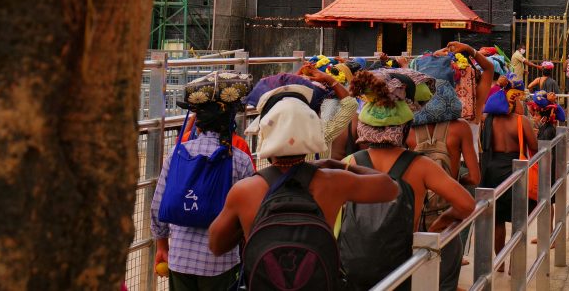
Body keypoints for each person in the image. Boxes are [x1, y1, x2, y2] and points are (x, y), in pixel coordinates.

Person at [208, 85, 400, 287]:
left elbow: (216, 246)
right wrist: (339, 165)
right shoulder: (333, 181)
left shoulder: (244, 190)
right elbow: (390, 188)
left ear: (266, 135)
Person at [339, 70, 476, 290]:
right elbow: (466, 204)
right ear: (403, 128)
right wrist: (439, 225)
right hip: (401, 266)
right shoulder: (420, 166)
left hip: (354, 267)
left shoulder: (348, 164)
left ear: (364, 127)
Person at [151, 72, 255, 291]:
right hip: (221, 261)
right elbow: (249, 215)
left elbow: (158, 204)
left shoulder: (176, 154)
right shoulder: (240, 160)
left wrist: (162, 246)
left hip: (180, 258)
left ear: (197, 123)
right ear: (230, 121)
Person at [407, 77, 480, 291]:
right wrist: (453, 182)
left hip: (414, 214)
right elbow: (475, 177)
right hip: (445, 214)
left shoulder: (408, 130)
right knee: (447, 279)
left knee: (416, 278)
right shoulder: (460, 128)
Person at [479, 79, 537, 261]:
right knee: (519, 219)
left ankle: (500, 261)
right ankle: (514, 263)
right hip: (515, 170)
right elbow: (535, 147)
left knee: (498, 221)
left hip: (492, 170)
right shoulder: (521, 121)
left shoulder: (488, 121)